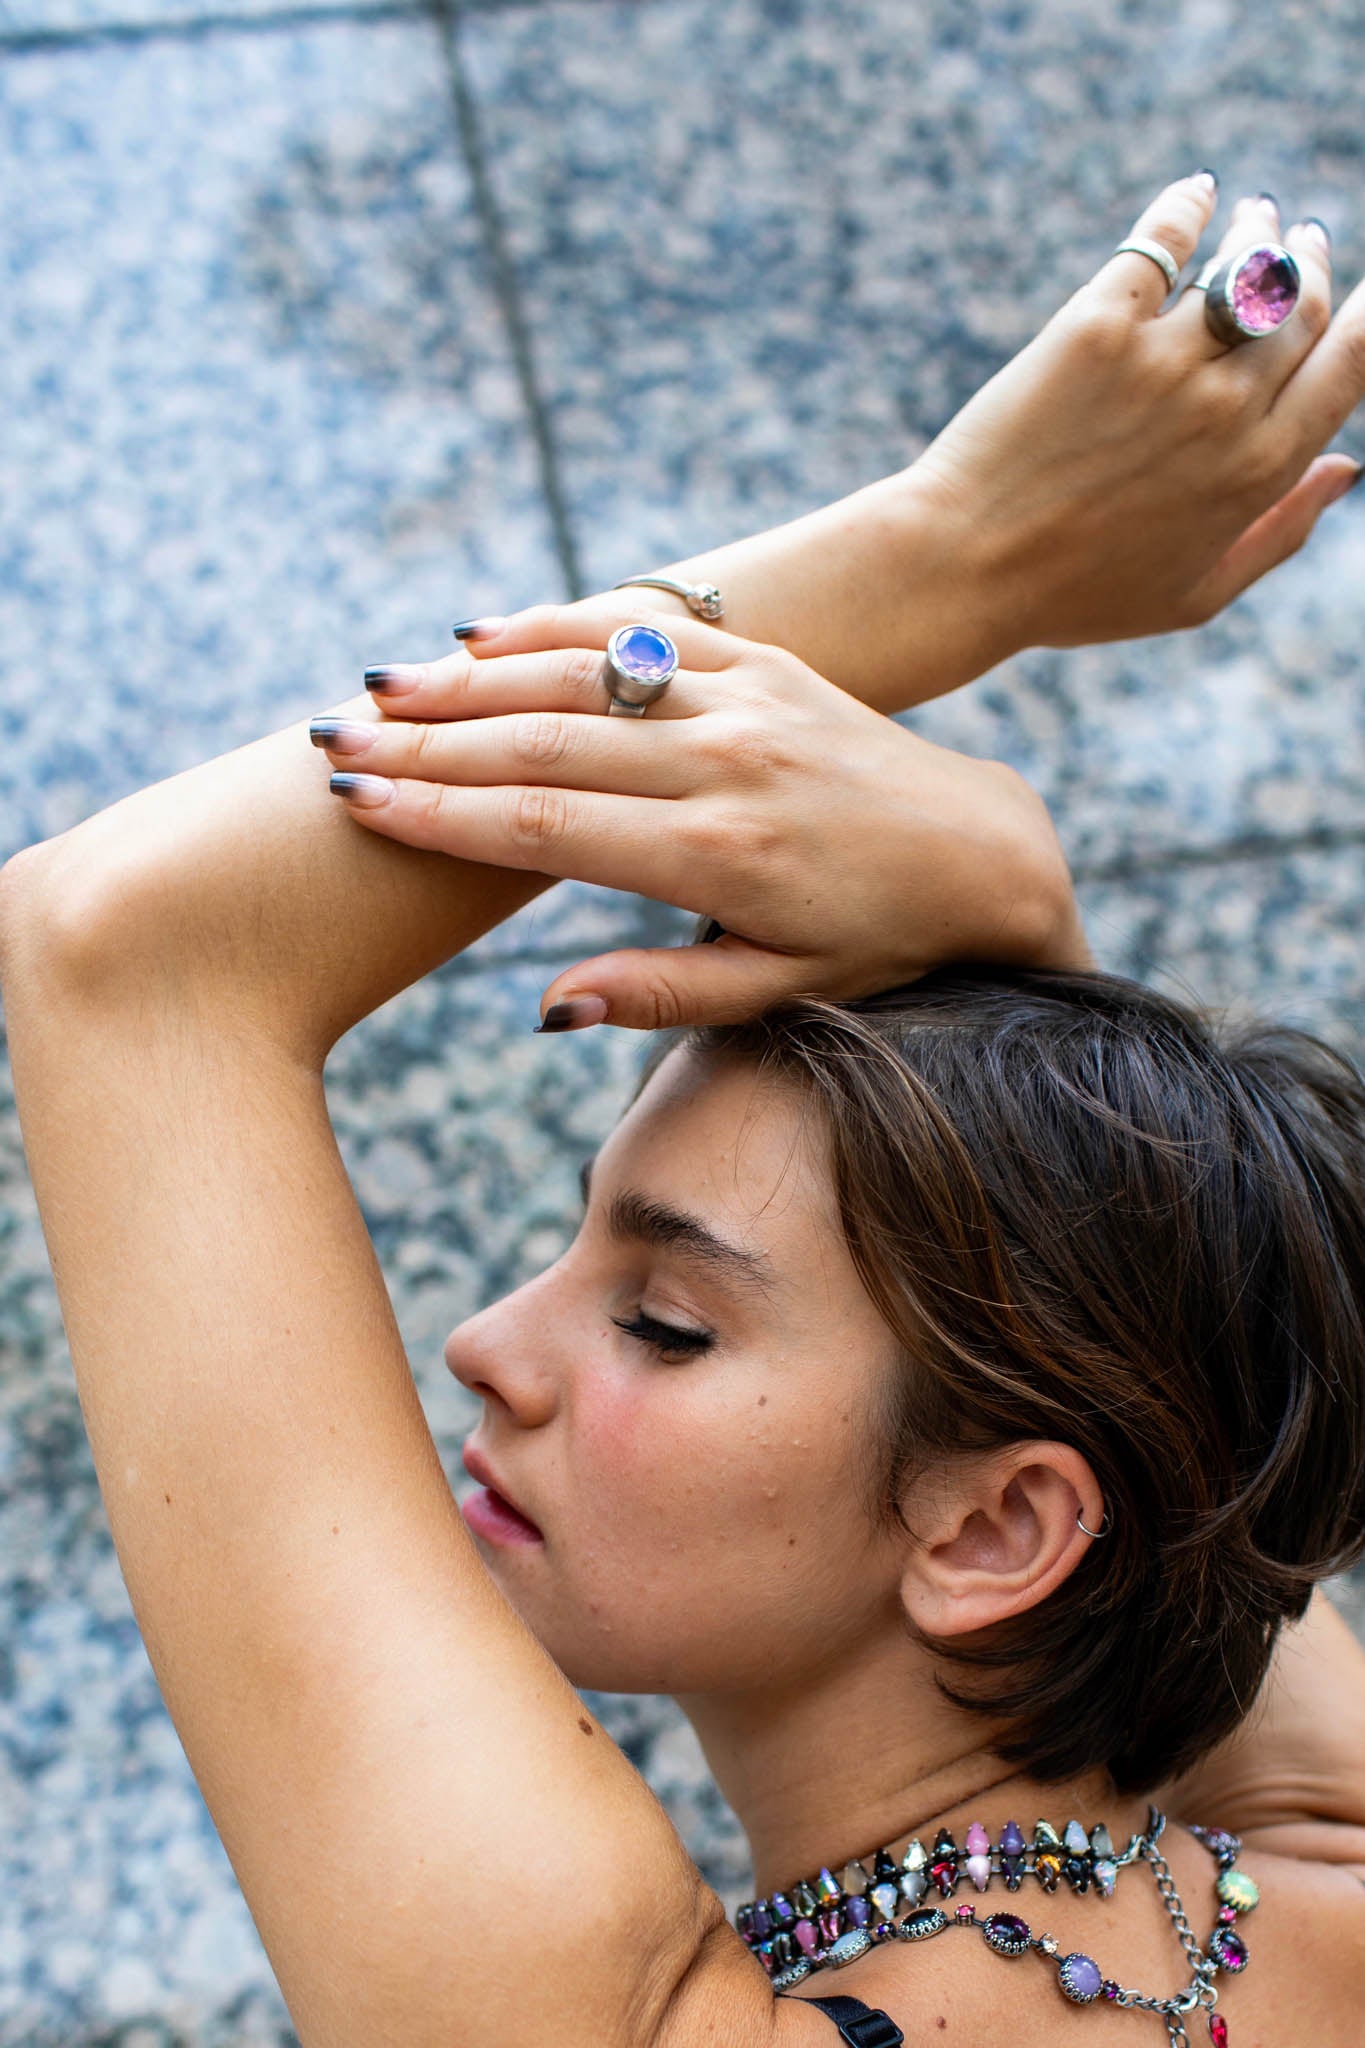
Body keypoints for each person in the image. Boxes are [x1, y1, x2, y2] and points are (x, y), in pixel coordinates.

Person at [2, 169, 1363, 2048]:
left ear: (990, 1530)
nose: (485, 1346)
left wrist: (956, 554)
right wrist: (1014, 954)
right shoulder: (1322, 1886)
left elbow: (127, 954)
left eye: (662, 1319)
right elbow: (1181, 1382)